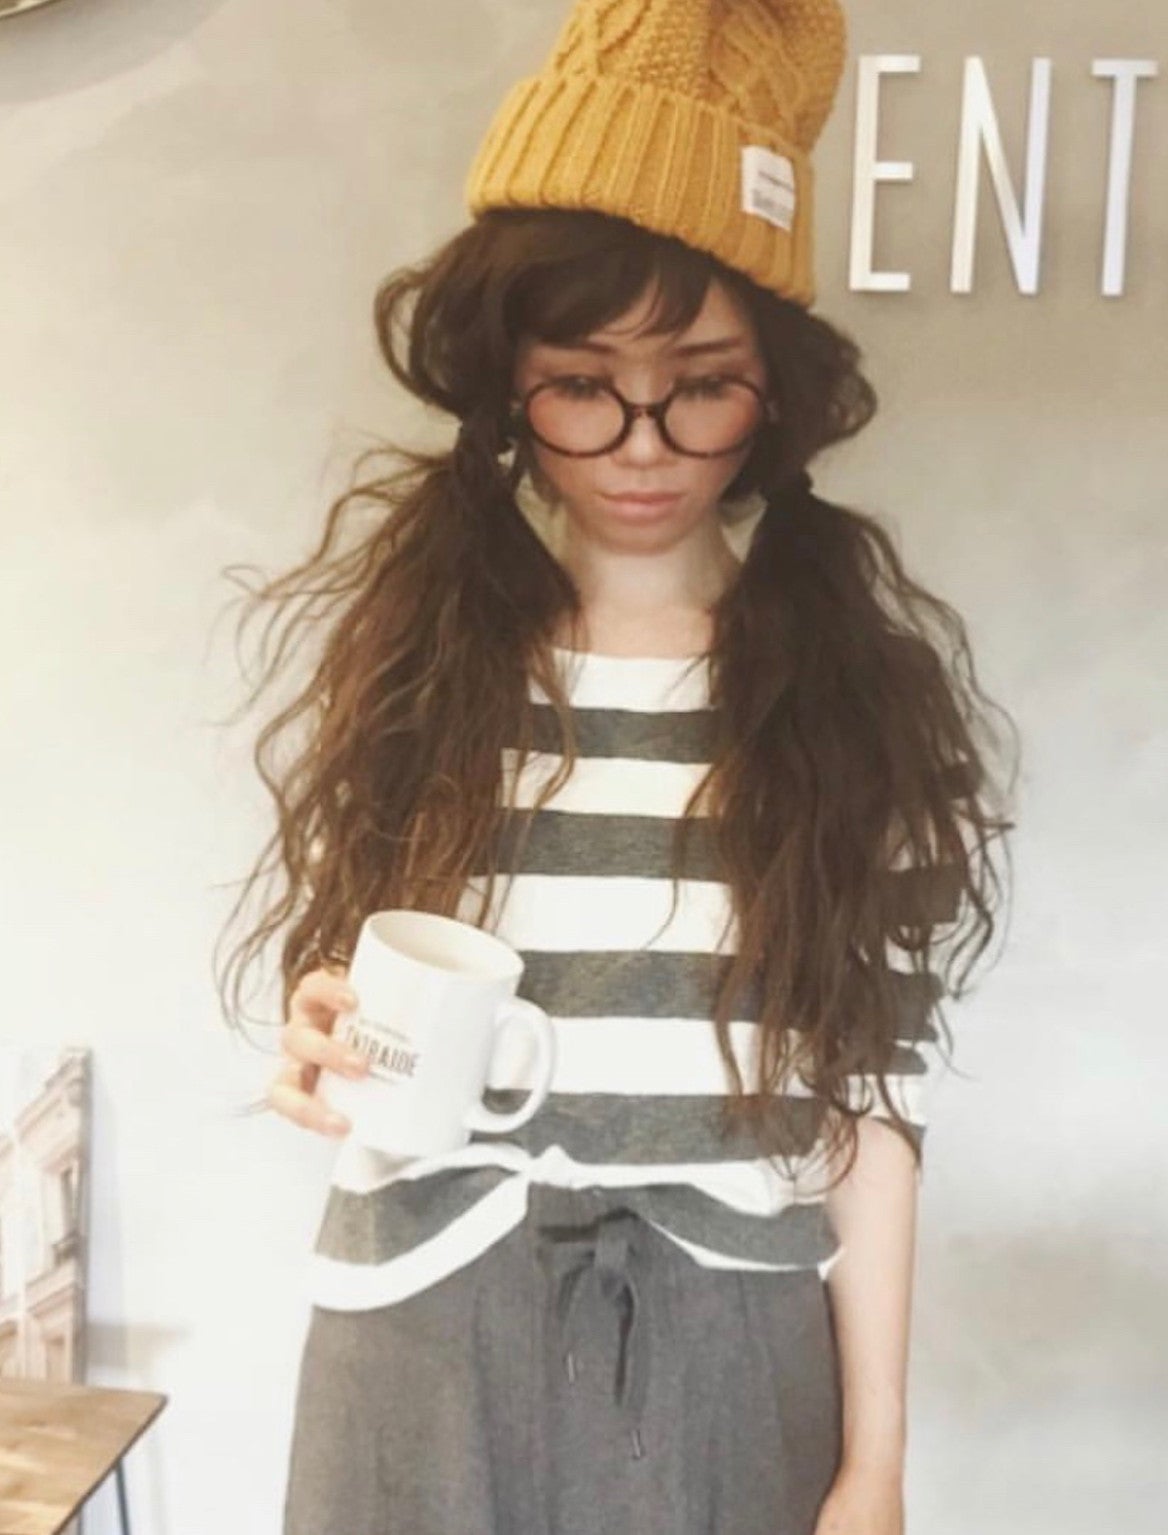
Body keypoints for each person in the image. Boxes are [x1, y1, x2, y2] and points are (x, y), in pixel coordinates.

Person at [214, 0, 1014, 1531]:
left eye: (701, 381)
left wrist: (876, 1462)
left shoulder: (857, 708)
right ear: (507, 388)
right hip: (420, 1327)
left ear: (774, 395)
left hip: (731, 1347)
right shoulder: (427, 671)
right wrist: (321, 1029)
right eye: (583, 382)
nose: (643, 443)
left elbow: (874, 1103)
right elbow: (357, 997)